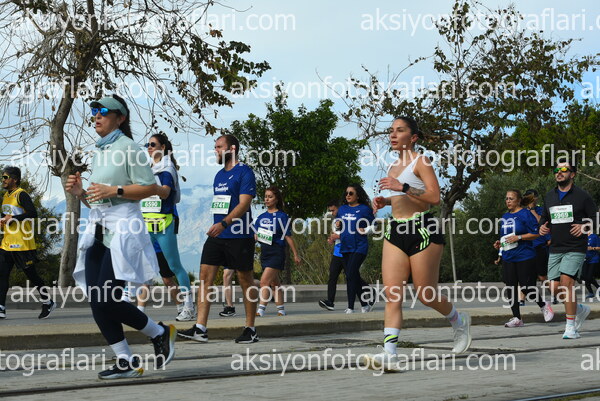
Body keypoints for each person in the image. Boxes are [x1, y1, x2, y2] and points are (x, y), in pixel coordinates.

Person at [65, 95, 176, 379]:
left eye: (103, 111)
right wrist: (80, 193)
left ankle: (159, 332)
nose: (96, 115)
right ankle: (126, 360)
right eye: (94, 111)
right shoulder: (100, 150)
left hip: (123, 230)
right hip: (98, 229)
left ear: (121, 117)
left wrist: (115, 190)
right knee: (97, 299)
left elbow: (149, 188)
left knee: (107, 299)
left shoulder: (129, 148)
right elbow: (99, 199)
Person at [361, 116, 471, 371]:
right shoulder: (393, 167)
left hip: (423, 229)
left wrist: (403, 186)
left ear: (413, 138)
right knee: (392, 294)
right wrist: (386, 201)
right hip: (396, 230)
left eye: (399, 130)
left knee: (426, 294)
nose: (393, 134)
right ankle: (390, 354)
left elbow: (434, 196)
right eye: (391, 130)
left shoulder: (421, 161)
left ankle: (458, 319)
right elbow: (403, 198)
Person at [178, 134, 259, 344]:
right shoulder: (218, 176)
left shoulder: (245, 172)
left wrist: (224, 223)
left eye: (219, 147)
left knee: (245, 281)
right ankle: (200, 328)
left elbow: (244, 204)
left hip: (240, 236)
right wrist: (219, 226)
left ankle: (250, 329)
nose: (215, 150)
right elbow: (221, 204)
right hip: (218, 235)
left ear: (232, 149)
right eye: (215, 147)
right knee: (205, 277)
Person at [138, 133, 195, 321]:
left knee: (174, 266)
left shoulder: (167, 168)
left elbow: (165, 193)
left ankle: (188, 306)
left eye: (153, 144)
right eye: (147, 144)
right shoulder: (149, 168)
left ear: (163, 148)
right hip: (148, 224)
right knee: (146, 270)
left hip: (164, 224)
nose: (149, 147)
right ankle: (139, 313)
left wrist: (150, 187)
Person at [539, 159, 597, 339]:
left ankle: (570, 327)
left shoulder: (582, 196)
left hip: (575, 247)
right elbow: (544, 219)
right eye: (556, 169)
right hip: (556, 248)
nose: (559, 172)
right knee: (553, 288)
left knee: (567, 284)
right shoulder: (549, 196)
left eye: (564, 169)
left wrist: (584, 227)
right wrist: (542, 228)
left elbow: (595, 219)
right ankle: (579, 309)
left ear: (572, 174)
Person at [0, 166, 56, 319]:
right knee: (2, 275)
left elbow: (32, 213)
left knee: (32, 275)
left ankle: (48, 302)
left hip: (22, 244)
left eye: (5, 177)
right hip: (7, 243)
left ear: (15, 179)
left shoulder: (21, 194)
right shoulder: (6, 195)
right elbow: (7, 215)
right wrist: (3, 220)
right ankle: (1, 308)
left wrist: (13, 219)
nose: (3, 180)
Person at [493, 190, 554, 327]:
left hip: (525, 255)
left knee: (526, 287)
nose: (508, 201)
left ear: (519, 200)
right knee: (510, 287)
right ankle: (517, 318)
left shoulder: (526, 214)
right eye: (506, 198)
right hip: (509, 256)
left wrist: (519, 237)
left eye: (511, 198)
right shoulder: (505, 216)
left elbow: (536, 234)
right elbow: (504, 237)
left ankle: (543, 305)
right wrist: (499, 244)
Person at [255, 186, 300, 317]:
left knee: (264, 281)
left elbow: (288, 236)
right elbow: (255, 234)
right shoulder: (261, 217)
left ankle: (260, 310)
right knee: (275, 283)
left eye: (270, 197)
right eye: (265, 196)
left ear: (276, 199)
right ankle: (281, 310)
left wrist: (295, 254)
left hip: (277, 252)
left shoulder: (282, 216)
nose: (267, 199)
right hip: (265, 252)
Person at [330, 184, 375, 314]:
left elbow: (375, 226)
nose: (348, 195)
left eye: (351, 193)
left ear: (358, 195)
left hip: (360, 247)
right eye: (346, 193)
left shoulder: (364, 209)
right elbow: (338, 226)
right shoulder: (342, 209)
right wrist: (337, 225)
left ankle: (351, 307)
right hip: (345, 247)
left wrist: (365, 230)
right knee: (352, 275)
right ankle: (364, 304)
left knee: (350, 274)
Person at [582, 233, 600, 299]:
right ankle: (596, 289)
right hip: (584, 259)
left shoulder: (594, 236)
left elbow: (599, 247)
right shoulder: (581, 236)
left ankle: (591, 292)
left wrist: (592, 248)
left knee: (589, 277)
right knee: (584, 276)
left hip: (593, 259)